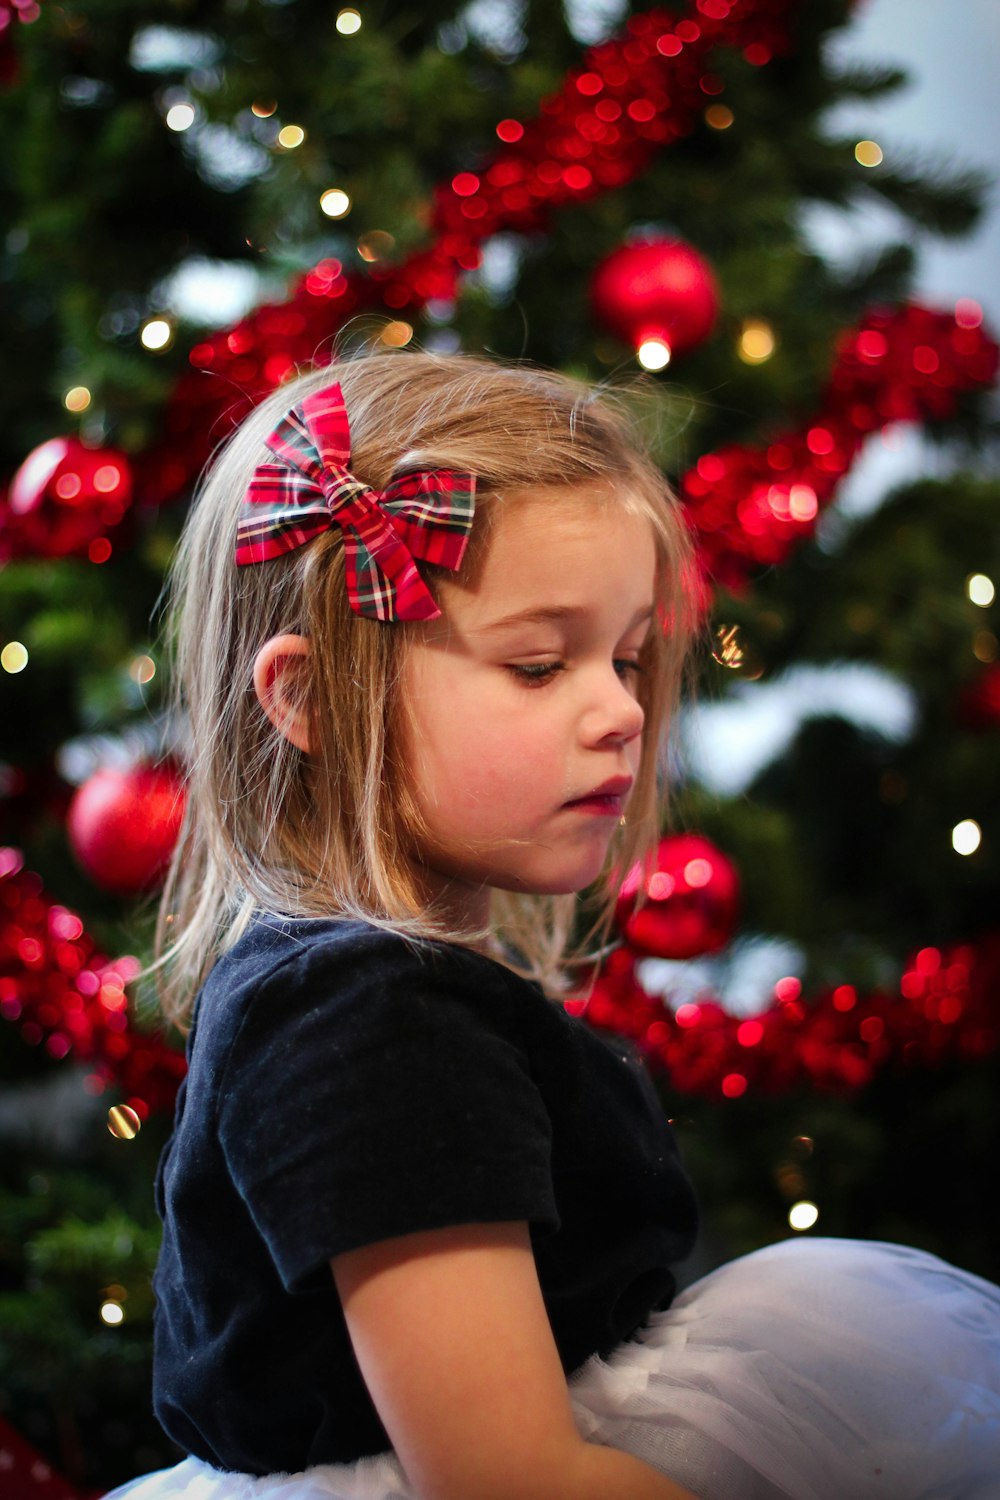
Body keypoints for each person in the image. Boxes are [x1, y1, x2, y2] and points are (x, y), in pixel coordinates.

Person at [105, 352, 1000, 1500]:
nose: (622, 711)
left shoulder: (378, 988)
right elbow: (512, 1482)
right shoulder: (367, 1023)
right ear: (313, 698)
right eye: (539, 664)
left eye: (626, 657)